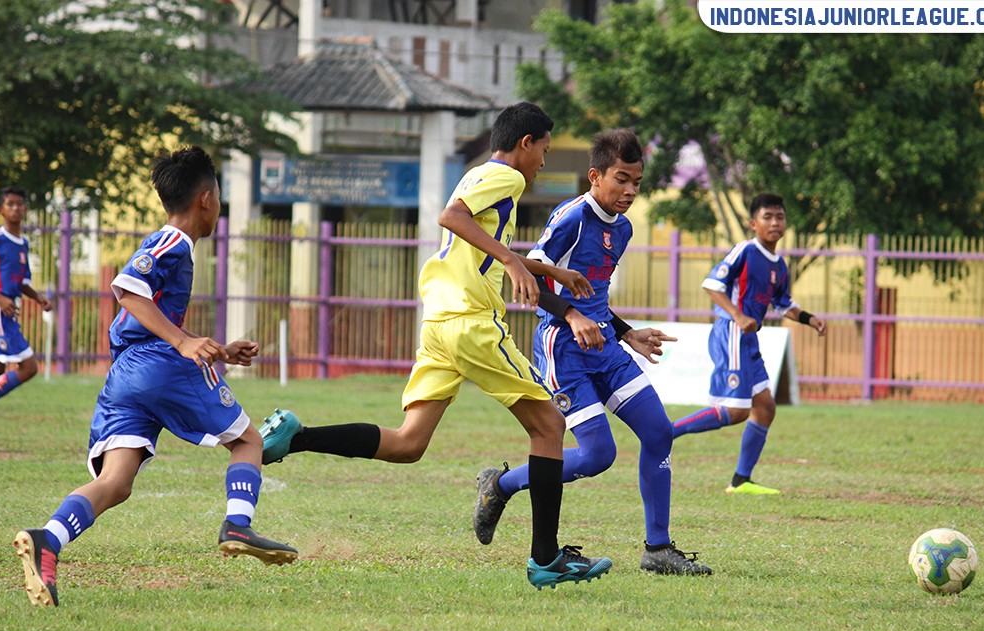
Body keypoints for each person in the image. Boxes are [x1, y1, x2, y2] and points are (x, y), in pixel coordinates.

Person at [259, 102, 612, 590]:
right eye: (545, 151)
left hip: (439, 321)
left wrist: (547, 270)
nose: (544, 163)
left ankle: (297, 436)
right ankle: (546, 558)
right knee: (550, 425)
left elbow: (472, 239)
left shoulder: (477, 173)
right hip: (471, 322)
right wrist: (512, 262)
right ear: (526, 142)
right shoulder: (507, 178)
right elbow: (452, 217)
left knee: (408, 444)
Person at [13, 146, 297, 608]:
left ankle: (48, 540)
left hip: (127, 375)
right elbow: (128, 291)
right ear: (206, 199)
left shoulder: (176, 246)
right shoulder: (171, 242)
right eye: (220, 197)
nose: (219, 206)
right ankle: (238, 525)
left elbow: (151, 313)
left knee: (116, 483)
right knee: (248, 441)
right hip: (157, 365)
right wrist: (184, 345)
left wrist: (218, 349)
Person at [472, 128, 711, 576]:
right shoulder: (572, 218)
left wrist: (626, 332)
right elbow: (528, 277)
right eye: (621, 179)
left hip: (605, 346)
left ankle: (657, 549)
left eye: (637, 182)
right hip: (562, 348)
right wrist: (572, 317)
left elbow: (594, 295)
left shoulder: (622, 229)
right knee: (599, 455)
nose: (630, 191)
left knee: (659, 433)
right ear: (595, 176)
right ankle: (501, 484)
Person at [671, 193, 826, 495]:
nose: (774, 222)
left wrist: (809, 318)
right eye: (767, 217)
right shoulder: (745, 250)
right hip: (731, 332)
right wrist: (738, 315)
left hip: (750, 339)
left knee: (765, 407)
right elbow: (712, 285)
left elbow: (783, 304)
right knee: (737, 410)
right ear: (753, 223)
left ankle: (741, 480)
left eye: (779, 217)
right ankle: (667, 432)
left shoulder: (779, 265)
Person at [0, 186, 54, 402]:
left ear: (26, 208)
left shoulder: (23, 244)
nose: (15, 208)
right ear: (1, 210)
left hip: (9, 310)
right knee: (29, 367)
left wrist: (38, 297)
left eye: (19, 204)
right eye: (10, 204)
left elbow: (21, 281)